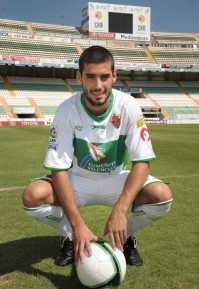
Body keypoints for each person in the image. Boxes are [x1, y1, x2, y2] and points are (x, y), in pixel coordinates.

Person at [22, 45, 173, 267]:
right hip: (78, 180)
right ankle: (70, 237)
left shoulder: (128, 106)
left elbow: (142, 162)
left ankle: (126, 237)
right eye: (90, 77)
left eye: (104, 77)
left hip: (116, 179)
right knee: (32, 196)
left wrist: (121, 211)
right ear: (79, 77)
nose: (98, 85)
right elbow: (58, 168)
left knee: (162, 195)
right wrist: (77, 224)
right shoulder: (67, 110)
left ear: (114, 76)